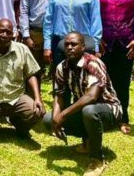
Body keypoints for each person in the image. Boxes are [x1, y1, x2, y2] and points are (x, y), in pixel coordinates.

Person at [43, 32, 122, 176]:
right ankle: (87, 143)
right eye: (67, 44)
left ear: (83, 47)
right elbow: (59, 94)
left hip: (109, 110)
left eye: (74, 44)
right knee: (48, 120)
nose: (69, 48)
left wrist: (64, 114)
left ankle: (98, 159)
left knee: (89, 111)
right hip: (87, 111)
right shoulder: (62, 67)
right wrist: (56, 118)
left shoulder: (94, 63)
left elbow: (92, 96)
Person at [88, 0, 134, 134]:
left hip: (126, 43)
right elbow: (89, 14)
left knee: (122, 81)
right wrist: (95, 39)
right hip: (102, 43)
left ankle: (123, 117)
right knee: (101, 80)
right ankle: (101, 116)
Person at [43, 0, 103, 71]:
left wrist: (95, 48)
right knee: (61, 80)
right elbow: (48, 21)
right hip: (60, 43)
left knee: (83, 81)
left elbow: (96, 22)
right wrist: (47, 46)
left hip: (83, 44)